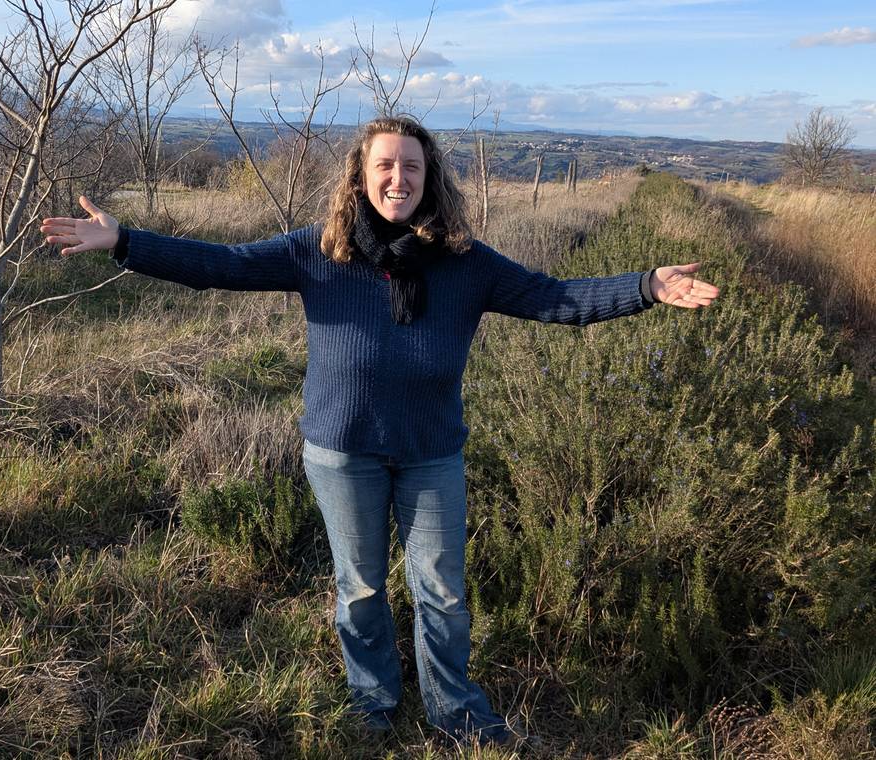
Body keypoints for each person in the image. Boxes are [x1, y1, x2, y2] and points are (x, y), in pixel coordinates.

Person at [41, 116, 719, 748]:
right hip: (343, 451)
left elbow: (555, 298)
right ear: (362, 176)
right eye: (386, 166)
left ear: (431, 180)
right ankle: (372, 701)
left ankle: (454, 709)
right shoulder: (317, 252)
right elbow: (225, 265)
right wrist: (126, 242)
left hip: (431, 452)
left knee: (444, 591)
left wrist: (646, 286)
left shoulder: (467, 261)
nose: (400, 179)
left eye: (413, 168)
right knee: (360, 586)